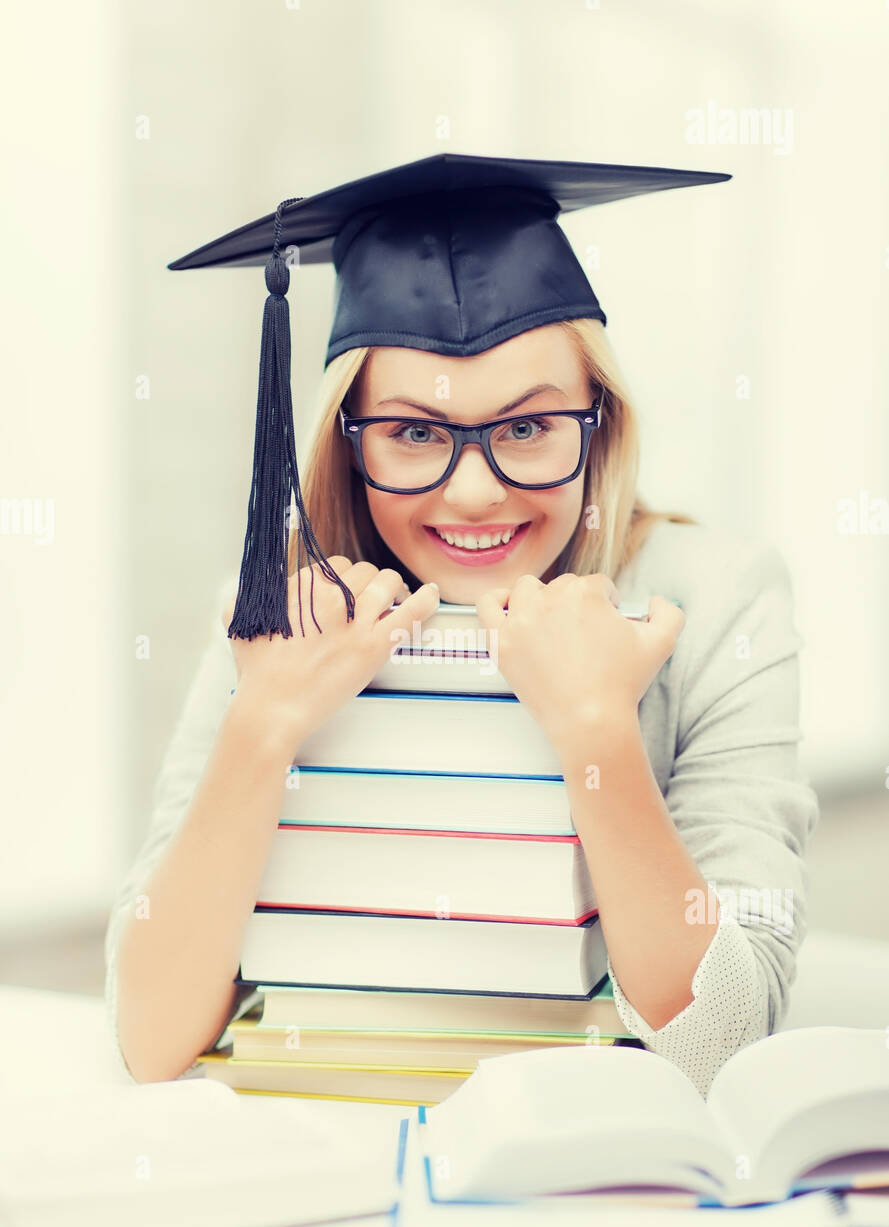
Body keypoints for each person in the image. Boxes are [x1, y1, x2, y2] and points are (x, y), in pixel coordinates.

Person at [104, 154, 819, 1096]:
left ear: (596, 424)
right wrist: (266, 721)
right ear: (345, 443)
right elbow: (150, 1040)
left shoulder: (716, 596)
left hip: (594, 1167)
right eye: (413, 433)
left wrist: (598, 729)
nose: (475, 492)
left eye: (526, 428)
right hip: (321, 1144)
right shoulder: (287, 608)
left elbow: (723, 1043)